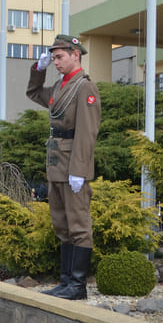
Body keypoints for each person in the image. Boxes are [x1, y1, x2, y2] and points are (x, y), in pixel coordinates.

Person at [26, 34, 101, 300]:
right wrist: (39, 69)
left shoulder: (84, 87)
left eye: (59, 57)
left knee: (78, 225)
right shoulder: (60, 87)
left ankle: (78, 286)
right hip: (57, 164)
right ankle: (66, 280)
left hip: (73, 165)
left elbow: (86, 132)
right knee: (61, 223)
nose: (56, 62)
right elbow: (34, 92)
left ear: (75, 54)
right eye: (53, 57)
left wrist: (79, 170)